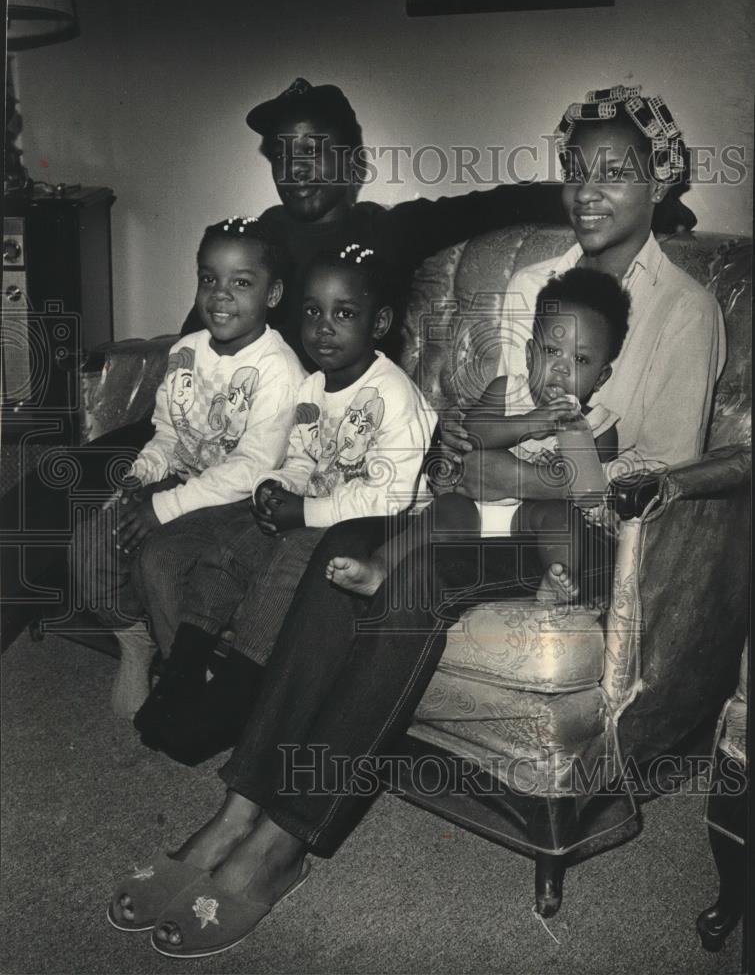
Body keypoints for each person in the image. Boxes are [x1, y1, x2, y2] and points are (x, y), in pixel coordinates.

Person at [107, 87, 725, 958]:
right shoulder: (527, 281)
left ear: (658, 180)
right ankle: (237, 807)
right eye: (575, 168)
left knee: (418, 575)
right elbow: (491, 411)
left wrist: (515, 470)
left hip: (569, 531)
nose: (588, 188)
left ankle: (282, 846)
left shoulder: (684, 310)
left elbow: (662, 472)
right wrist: (480, 451)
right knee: (349, 546)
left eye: (615, 170)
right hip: (480, 500)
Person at [0, 77, 566, 646]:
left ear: (353, 162)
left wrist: (601, 190)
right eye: (281, 154)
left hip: (290, 446)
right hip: (206, 426)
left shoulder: (386, 230)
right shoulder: (261, 236)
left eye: (313, 150)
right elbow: (198, 340)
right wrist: (165, 439)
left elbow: (493, 203)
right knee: (56, 482)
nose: (295, 169)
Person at [131, 245, 436, 761]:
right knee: (234, 542)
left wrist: (304, 513)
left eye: (344, 314)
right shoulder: (314, 386)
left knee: (290, 562)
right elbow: (301, 457)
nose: (323, 327)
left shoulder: (394, 394)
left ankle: (234, 699)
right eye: (313, 311)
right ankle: (182, 671)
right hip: (320, 508)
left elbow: (389, 494)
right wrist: (278, 486)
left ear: (379, 322)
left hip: (381, 522)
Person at [90, 216, 306, 717]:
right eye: (209, 279)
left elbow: (253, 467)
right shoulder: (185, 352)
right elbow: (168, 432)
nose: (221, 295)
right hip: (184, 481)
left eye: (241, 282)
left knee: (159, 560)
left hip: (237, 502)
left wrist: (163, 507)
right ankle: (135, 640)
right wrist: (141, 473)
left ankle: (185, 671)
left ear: (272, 294)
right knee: (93, 538)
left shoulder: (279, 370)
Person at [327, 267, 630, 604]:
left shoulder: (601, 426)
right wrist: (528, 422)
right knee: (444, 513)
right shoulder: (506, 391)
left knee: (562, 519)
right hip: (472, 506)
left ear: (600, 378)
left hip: (529, 523)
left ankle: (558, 577)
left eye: (580, 359)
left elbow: (594, 495)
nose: (561, 367)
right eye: (551, 352)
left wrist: (574, 441)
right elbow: (475, 435)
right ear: (529, 356)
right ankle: (381, 566)